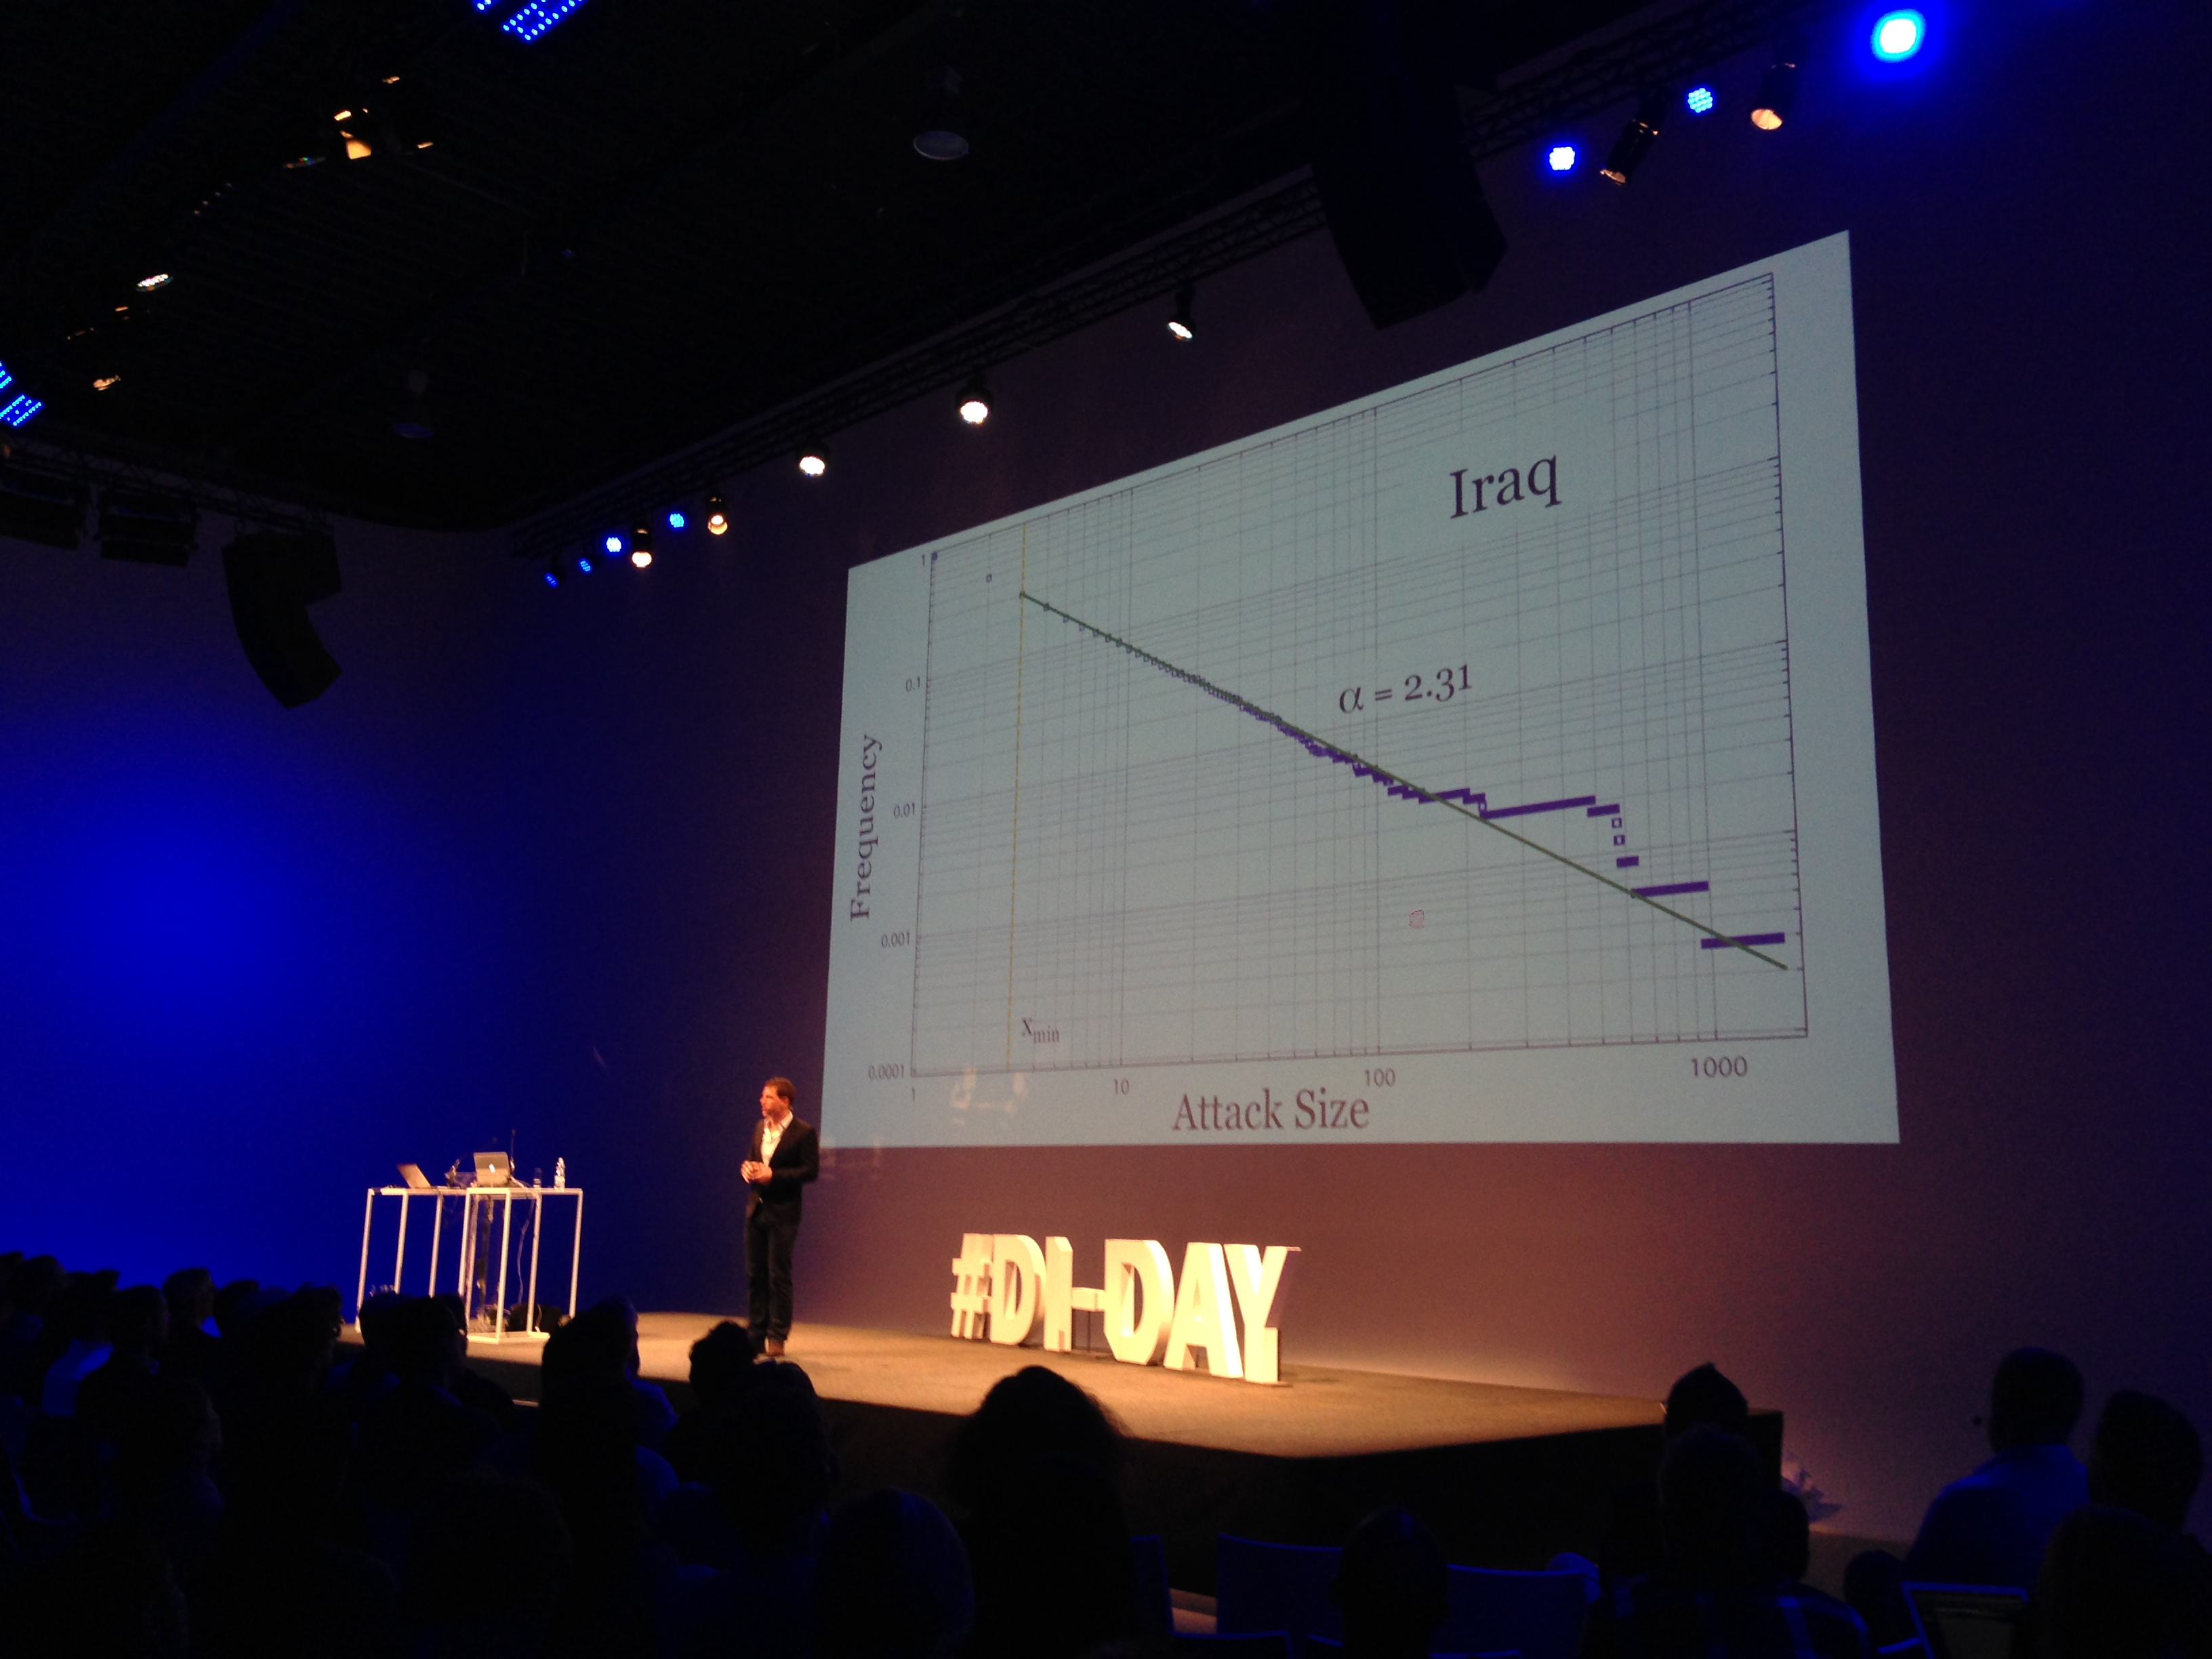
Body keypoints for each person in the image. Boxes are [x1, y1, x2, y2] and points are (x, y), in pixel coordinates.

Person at [741, 1076, 819, 1358]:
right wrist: (748, 1169)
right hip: (757, 1209)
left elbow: (810, 1171)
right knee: (755, 1275)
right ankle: (756, 1334)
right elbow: (754, 1158)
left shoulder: (803, 1132)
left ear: (785, 1101)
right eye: (763, 1096)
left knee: (778, 1275)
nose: (762, 1101)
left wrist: (774, 1175)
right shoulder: (760, 1127)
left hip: (784, 1213)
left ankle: (777, 1336)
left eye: (768, 1097)